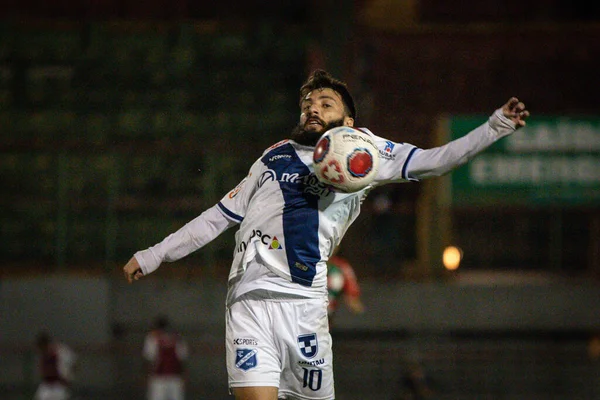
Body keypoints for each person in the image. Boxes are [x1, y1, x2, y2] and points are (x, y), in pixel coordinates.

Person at [123, 69, 529, 400]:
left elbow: (434, 162)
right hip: (250, 302)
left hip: (305, 309)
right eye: (307, 104)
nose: (312, 109)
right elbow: (218, 216)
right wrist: (155, 254)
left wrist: (495, 126)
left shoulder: (366, 153)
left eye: (324, 103)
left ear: (348, 122)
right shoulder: (273, 155)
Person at [142, 315, 189, 400]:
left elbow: (149, 359)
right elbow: (182, 359)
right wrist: (184, 376)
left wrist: (147, 376)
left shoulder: (152, 338)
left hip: (159, 378)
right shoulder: (178, 338)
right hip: (175, 377)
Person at [326, 247, 365, 326]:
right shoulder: (303, 263)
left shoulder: (341, 267)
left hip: (325, 317)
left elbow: (353, 300)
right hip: (301, 311)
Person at [34, 331, 77, 400]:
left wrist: (69, 377)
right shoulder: (43, 355)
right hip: (47, 384)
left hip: (59, 385)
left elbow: (73, 363)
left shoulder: (61, 351)